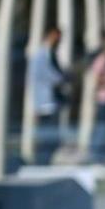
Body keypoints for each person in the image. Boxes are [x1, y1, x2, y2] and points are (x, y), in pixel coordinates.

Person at [29, 26, 65, 165]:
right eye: (57, 37)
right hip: (45, 102)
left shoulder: (49, 54)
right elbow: (44, 76)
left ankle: (44, 161)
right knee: (46, 137)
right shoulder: (41, 55)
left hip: (50, 101)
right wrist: (61, 78)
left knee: (51, 136)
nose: (59, 41)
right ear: (51, 35)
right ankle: (41, 162)